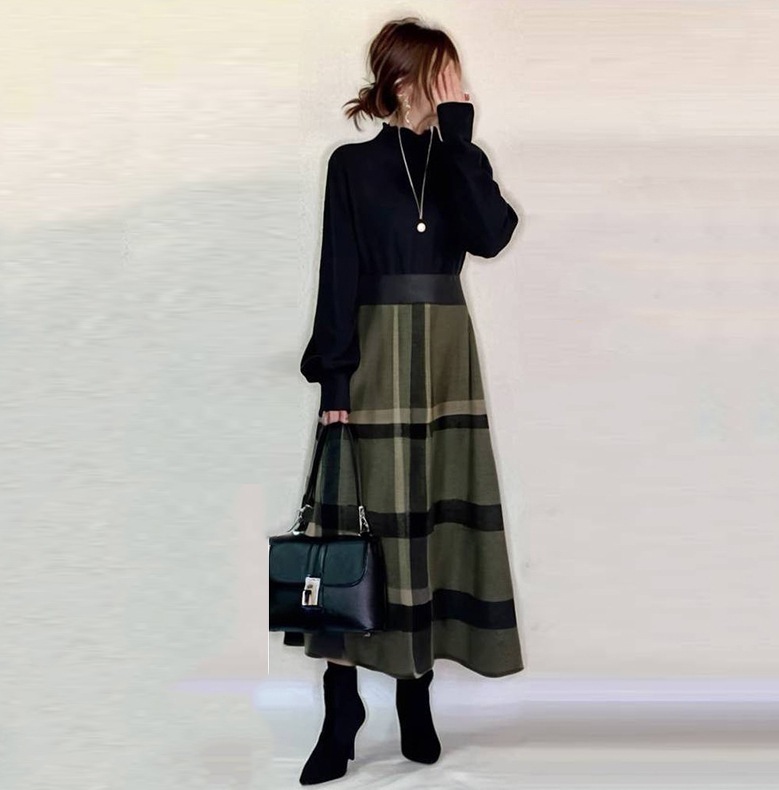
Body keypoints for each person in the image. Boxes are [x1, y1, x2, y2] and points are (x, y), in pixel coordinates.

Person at [290, 17, 525, 785]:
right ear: (402, 80)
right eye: (443, 75)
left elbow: (491, 236)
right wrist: (334, 384)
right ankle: (341, 709)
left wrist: (458, 136)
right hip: (376, 356)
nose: (458, 86)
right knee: (356, 528)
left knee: (426, 522)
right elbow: (338, 273)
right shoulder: (352, 166)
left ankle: (414, 694)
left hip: (447, 359)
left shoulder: (458, 159)